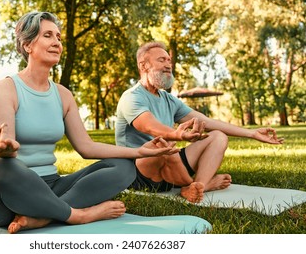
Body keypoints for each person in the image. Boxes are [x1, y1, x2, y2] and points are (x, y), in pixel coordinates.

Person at [0, 13, 178, 234]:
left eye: (59, 38)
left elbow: (86, 147)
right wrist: (3, 151)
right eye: (48, 35)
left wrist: (139, 151)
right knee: (0, 167)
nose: (57, 43)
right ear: (27, 45)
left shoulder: (63, 95)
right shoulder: (6, 87)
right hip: (8, 197)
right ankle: (79, 215)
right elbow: (5, 139)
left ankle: (43, 217)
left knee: (123, 166)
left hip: (53, 187)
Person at [115, 41, 284, 203]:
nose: (168, 65)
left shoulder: (168, 99)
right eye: (161, 60)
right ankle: (194, 184)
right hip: (139, 172)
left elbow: (207, 122)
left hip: (171, 166)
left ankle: (197, 186)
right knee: (161, 145)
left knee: (218, 136)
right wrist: (178, 135)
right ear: (143, 65)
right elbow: (150, 126)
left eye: (169, 60)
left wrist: (252, 133)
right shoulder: (132, 97)